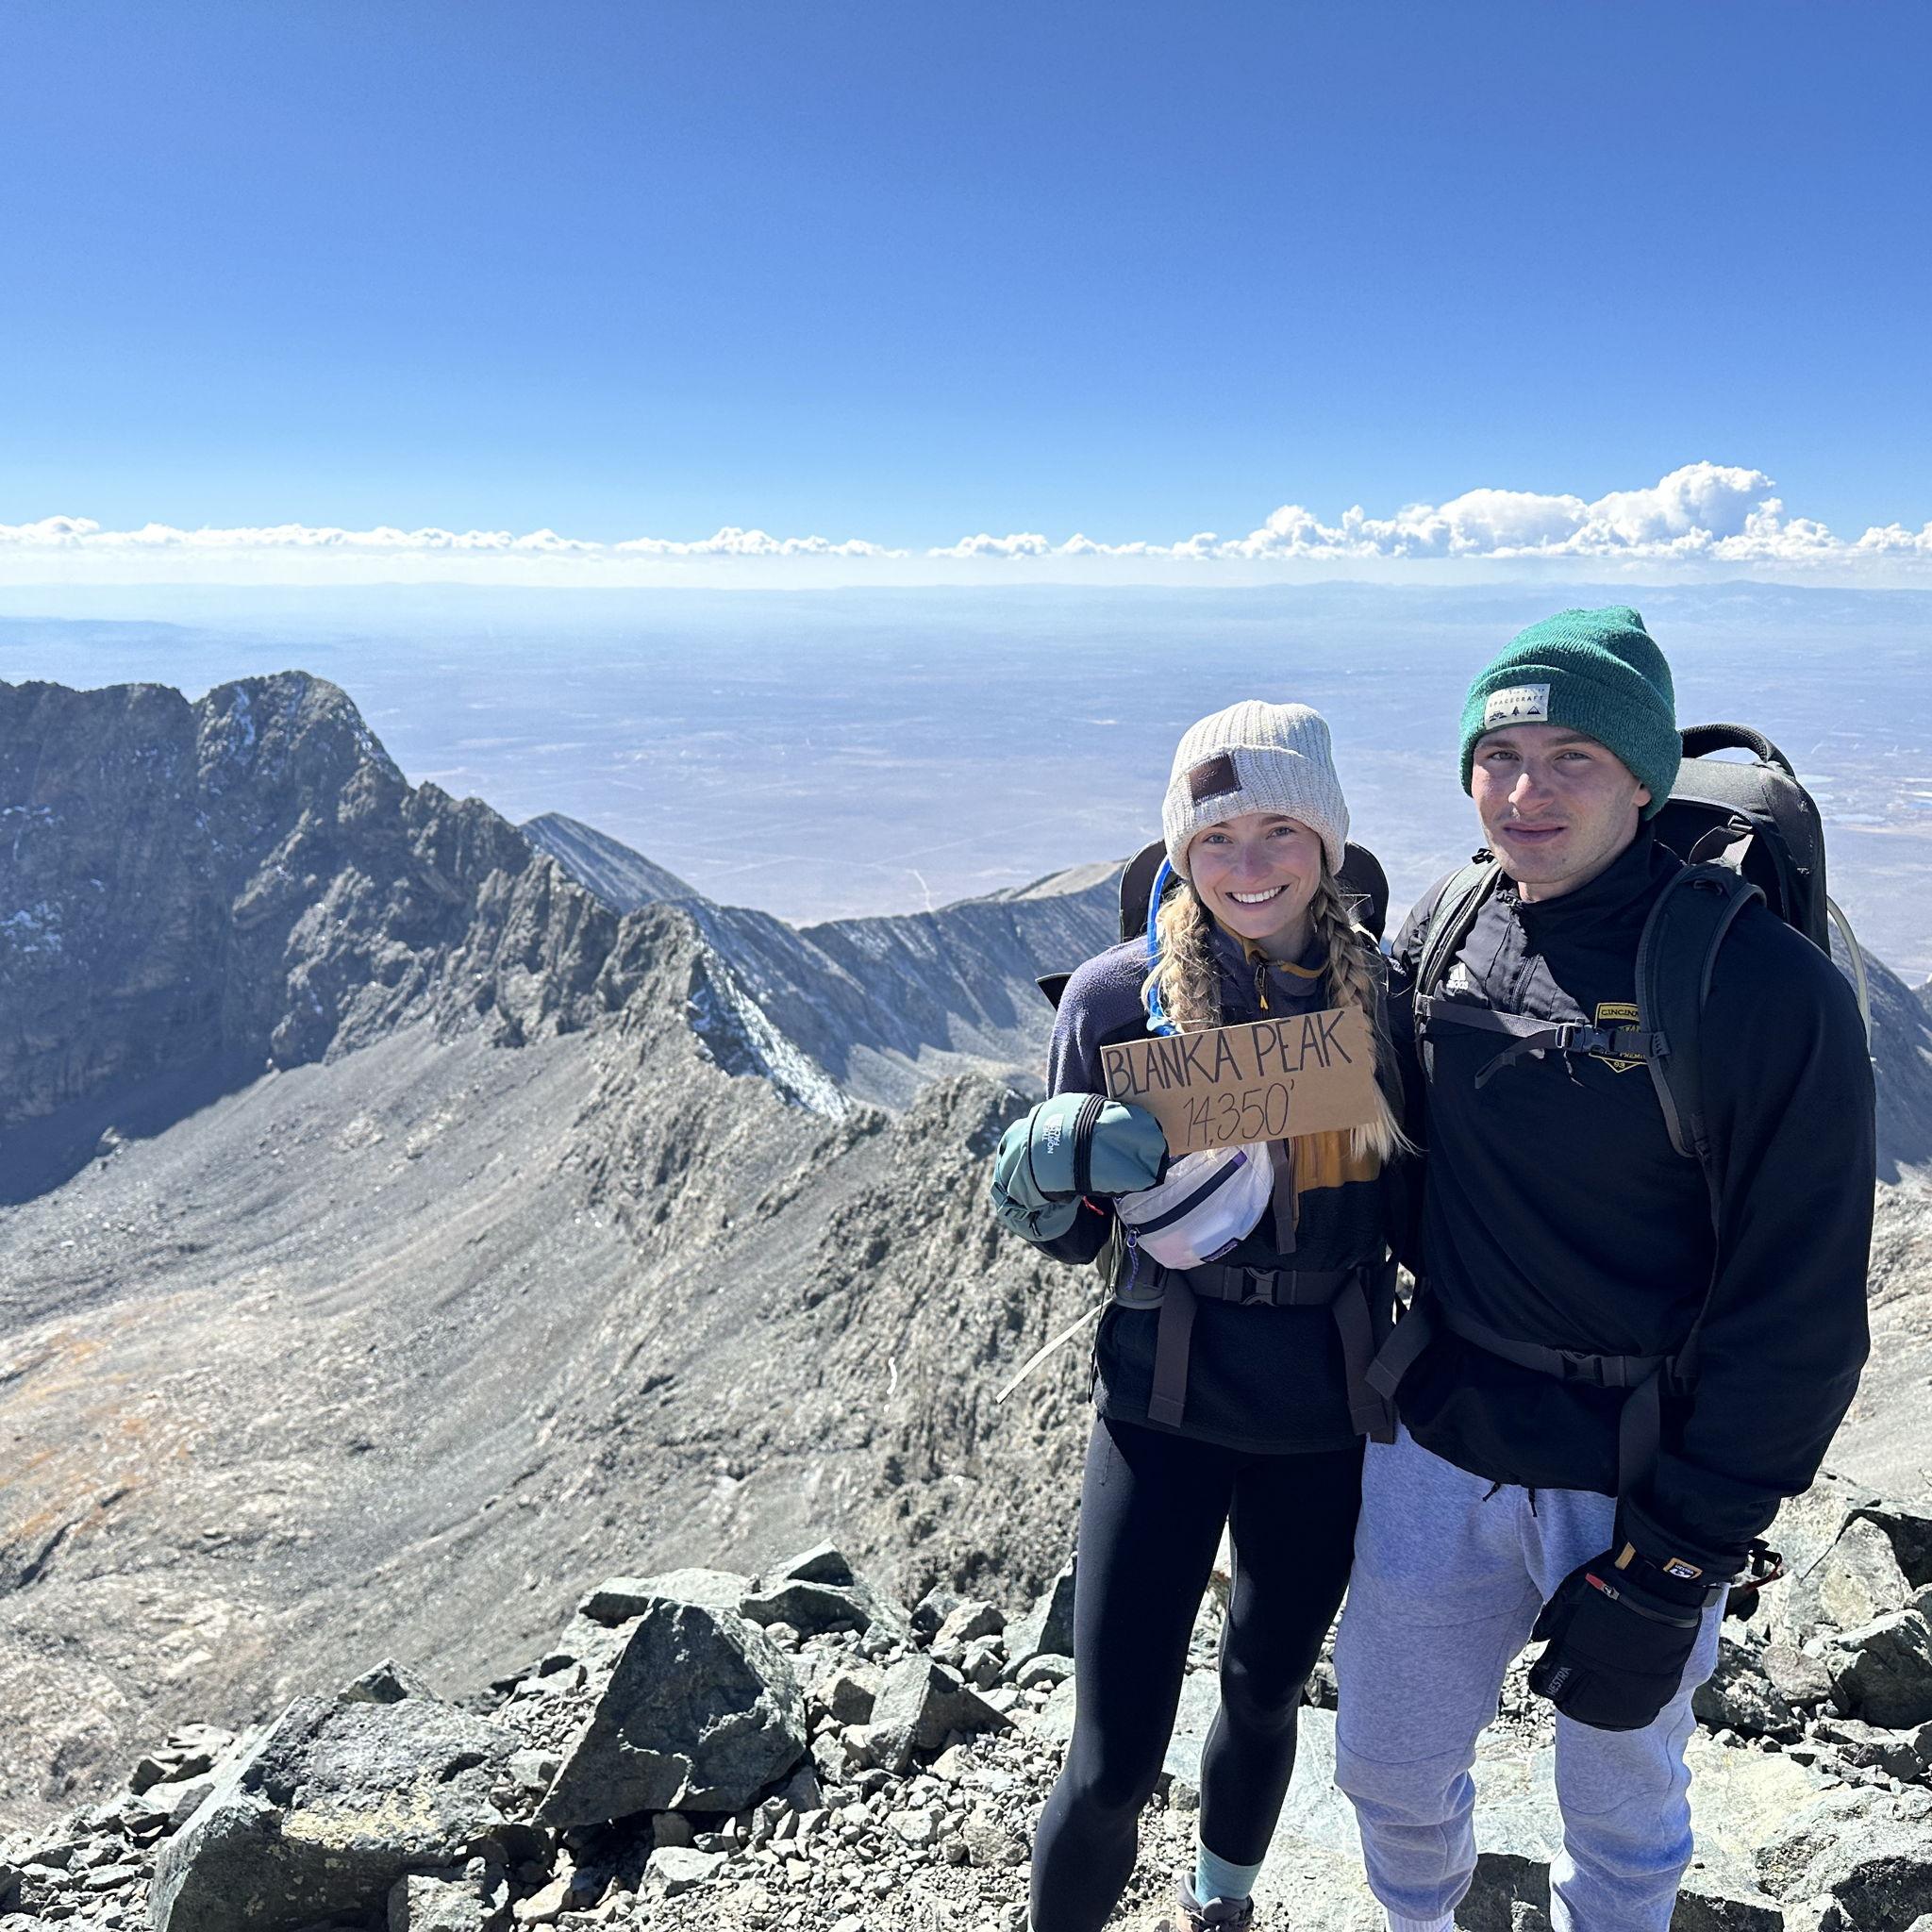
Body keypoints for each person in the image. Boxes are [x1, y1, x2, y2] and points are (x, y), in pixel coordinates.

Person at [1333, 608, 1874, 1932]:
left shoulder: (1761, 987)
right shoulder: (1446, 930)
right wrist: (1126, 1127)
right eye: (1499, 755)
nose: (1526, 791)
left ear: (1644, 776)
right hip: (1444, 1440)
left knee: (1621, 1803)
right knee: (1386, 1767)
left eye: (1570, 756)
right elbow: (1363, 1150)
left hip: (1638, 1472)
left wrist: (1686, 1551)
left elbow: (1800, 1310)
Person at [990, 700, 1411, 1932]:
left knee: (1266, 1693)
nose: (1249, 863)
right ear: (1180, 848)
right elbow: (1080, 1238)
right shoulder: (1111, 1002)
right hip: (1161, 1401)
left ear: (1327, 843)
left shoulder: (1385, 997)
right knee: (1112, 1759)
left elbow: (1424, 1207)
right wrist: (1042, 1184)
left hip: (1323, 1413)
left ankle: (1219, 1906)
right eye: (1216, 836)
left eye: (1281, 830)